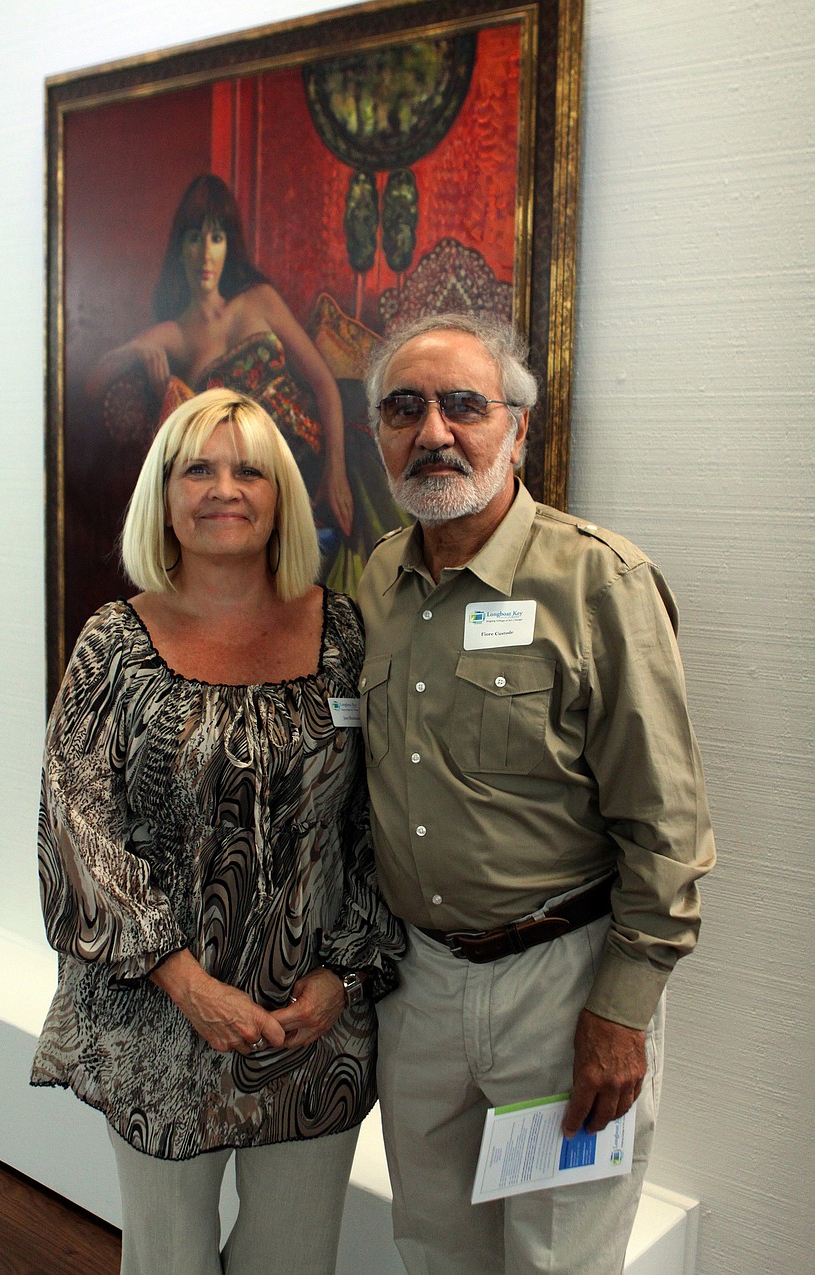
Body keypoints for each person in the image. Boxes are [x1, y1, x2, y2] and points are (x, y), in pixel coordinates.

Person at [357, 314, 716, 1275]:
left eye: (463, 405)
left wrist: (621, 1011)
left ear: (517, 430)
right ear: (380, 435)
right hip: (420, 983)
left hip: (562, 987)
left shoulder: (599, 582)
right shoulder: (377, 581)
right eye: (404, 407)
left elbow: (667, 828)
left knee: (558, 1260)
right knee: (432, 1244)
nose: (433, 430)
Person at [32, 387, 404, 1275]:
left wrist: (343, 973)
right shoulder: (112, 645)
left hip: (313, 1024)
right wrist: (188, 982)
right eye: (196, 467)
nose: (223, 487)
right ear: (163, 495)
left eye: (248, 469)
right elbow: (76, 831)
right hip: (164, 1021)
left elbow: (378, 819)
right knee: (171, 1261)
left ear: (281, 494)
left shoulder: (346, 633)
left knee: (294, 1260)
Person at [88, 173, 354, 541]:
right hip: (254, 479)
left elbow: (324, 384)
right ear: (180, 249)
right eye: (194, 238)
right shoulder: (175, 335)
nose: (205, 253)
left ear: (229, 245)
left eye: (217, 237)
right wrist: (135, 349)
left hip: (317, 457)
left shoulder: (259, 300)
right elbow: (92, 381)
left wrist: (335, 472)